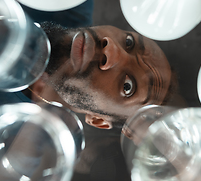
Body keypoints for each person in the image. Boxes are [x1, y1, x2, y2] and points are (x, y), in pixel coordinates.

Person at [30, 21, 176, 130]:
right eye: (128, 42)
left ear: (97, 120)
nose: (111, 49)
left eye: (127, 87)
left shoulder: (16, 133)